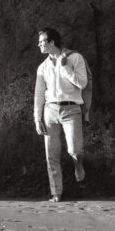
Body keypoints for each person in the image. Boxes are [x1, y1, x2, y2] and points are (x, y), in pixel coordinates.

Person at [33, 27, 89, 202]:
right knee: (51, 154)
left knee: (74, 149)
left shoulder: (75, 58)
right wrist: (37, 117)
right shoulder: (42, 67)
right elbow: (39, 93)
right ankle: (56, 192)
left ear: (52, 42)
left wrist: (65, 68)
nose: (39, 45)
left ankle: (78, 164)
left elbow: (82, 83)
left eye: (42, 41)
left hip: (71, 109)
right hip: (50, 111)